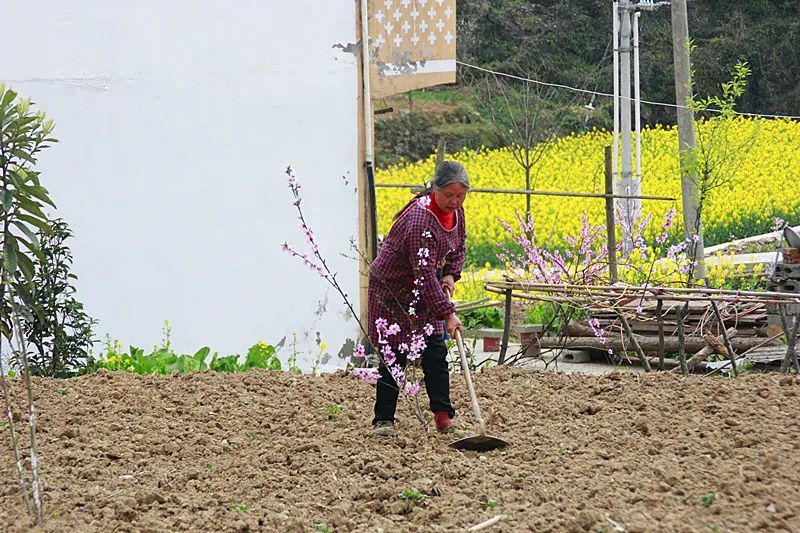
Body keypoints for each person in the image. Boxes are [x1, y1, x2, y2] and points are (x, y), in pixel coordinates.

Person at [368, 161, 470, 436]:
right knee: (395, 354)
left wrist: (450, 274)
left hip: (426, 285)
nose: (454, 201)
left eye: (460, 196)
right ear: (435, 190)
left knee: (435, 351)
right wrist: (448, 312)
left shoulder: (457, 214)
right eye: (448, 195)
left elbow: (459, 247)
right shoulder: (420, 220)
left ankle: (443, 416)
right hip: (394, 289)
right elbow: (423, 273)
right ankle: (384, 419)